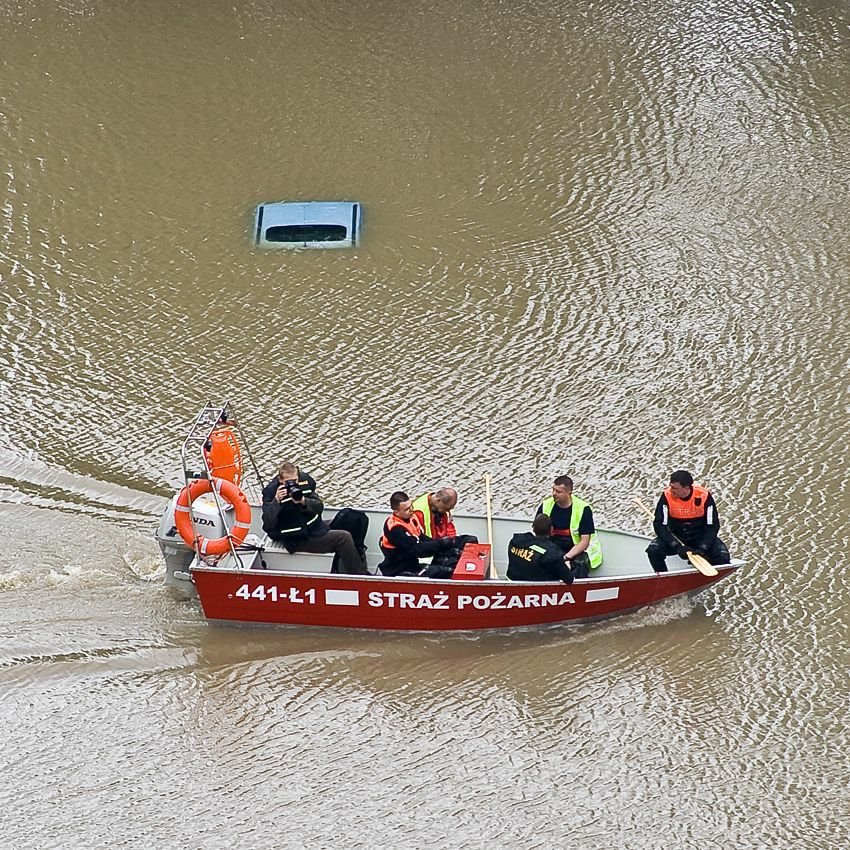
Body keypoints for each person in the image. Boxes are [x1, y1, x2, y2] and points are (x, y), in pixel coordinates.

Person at [261, 461, 367, 575]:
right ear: (280, 480)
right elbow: (267, 524)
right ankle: (358, 576)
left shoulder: (303, 486)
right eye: (288, 482)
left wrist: (303, 501)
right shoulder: (272, 494)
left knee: (351, 520)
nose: (292, 485)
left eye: (295, 480)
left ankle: (346, 566)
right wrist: (276, 502)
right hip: (295, 539)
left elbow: (319, 506)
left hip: (311, 528)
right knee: (343, 537)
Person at [646, 470, 730, 573]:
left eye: (675, 488)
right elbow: (659, 525)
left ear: (686, 488)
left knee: (723, 557)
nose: (671, 490)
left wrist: (703, 547)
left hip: (699, 538)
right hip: (677, 538)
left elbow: (712, 525)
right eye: (671, 486)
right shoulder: (667, 496)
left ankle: (699, 572)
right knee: (653, 550)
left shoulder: (704, 496)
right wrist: (676, 546)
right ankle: (664, 577)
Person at [536, 475, 603, 579]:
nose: (554, 494)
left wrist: (565, 558)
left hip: (575, 548)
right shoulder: (545, 505)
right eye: (553, 490)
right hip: (552, 546)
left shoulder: (583, 509)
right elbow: (538, 534)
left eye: (558, 492)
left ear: (569, 493)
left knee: (579, 565)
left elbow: (584, 542)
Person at [378, 491, 456, 578]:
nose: (411, 510)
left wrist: (445, 545)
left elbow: (422, 538)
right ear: (396, 512)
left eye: (411, 506)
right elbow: (418, 550)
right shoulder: (395, 529)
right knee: (442, 572)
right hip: (399, 570)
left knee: (450, 563)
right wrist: (441, 544)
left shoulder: (411, 518)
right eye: (407, 509)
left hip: (413, 565)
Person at [506, 515, 574, 584]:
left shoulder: (515, 541)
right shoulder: (552, 554)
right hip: (539, 589)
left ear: (533, 528)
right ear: (551, 529)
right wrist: (567, 567)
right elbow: (569, 579)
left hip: (512, 584)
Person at [412, 487, 478, 548]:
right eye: (447, 508)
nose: (448, 511)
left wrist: (452, 540)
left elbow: (449, 526)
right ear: (438, 501)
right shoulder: (418, 512)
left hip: (443, 541)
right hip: (431, 546)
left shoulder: (442, 507)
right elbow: (419, 540)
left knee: (472, 540)